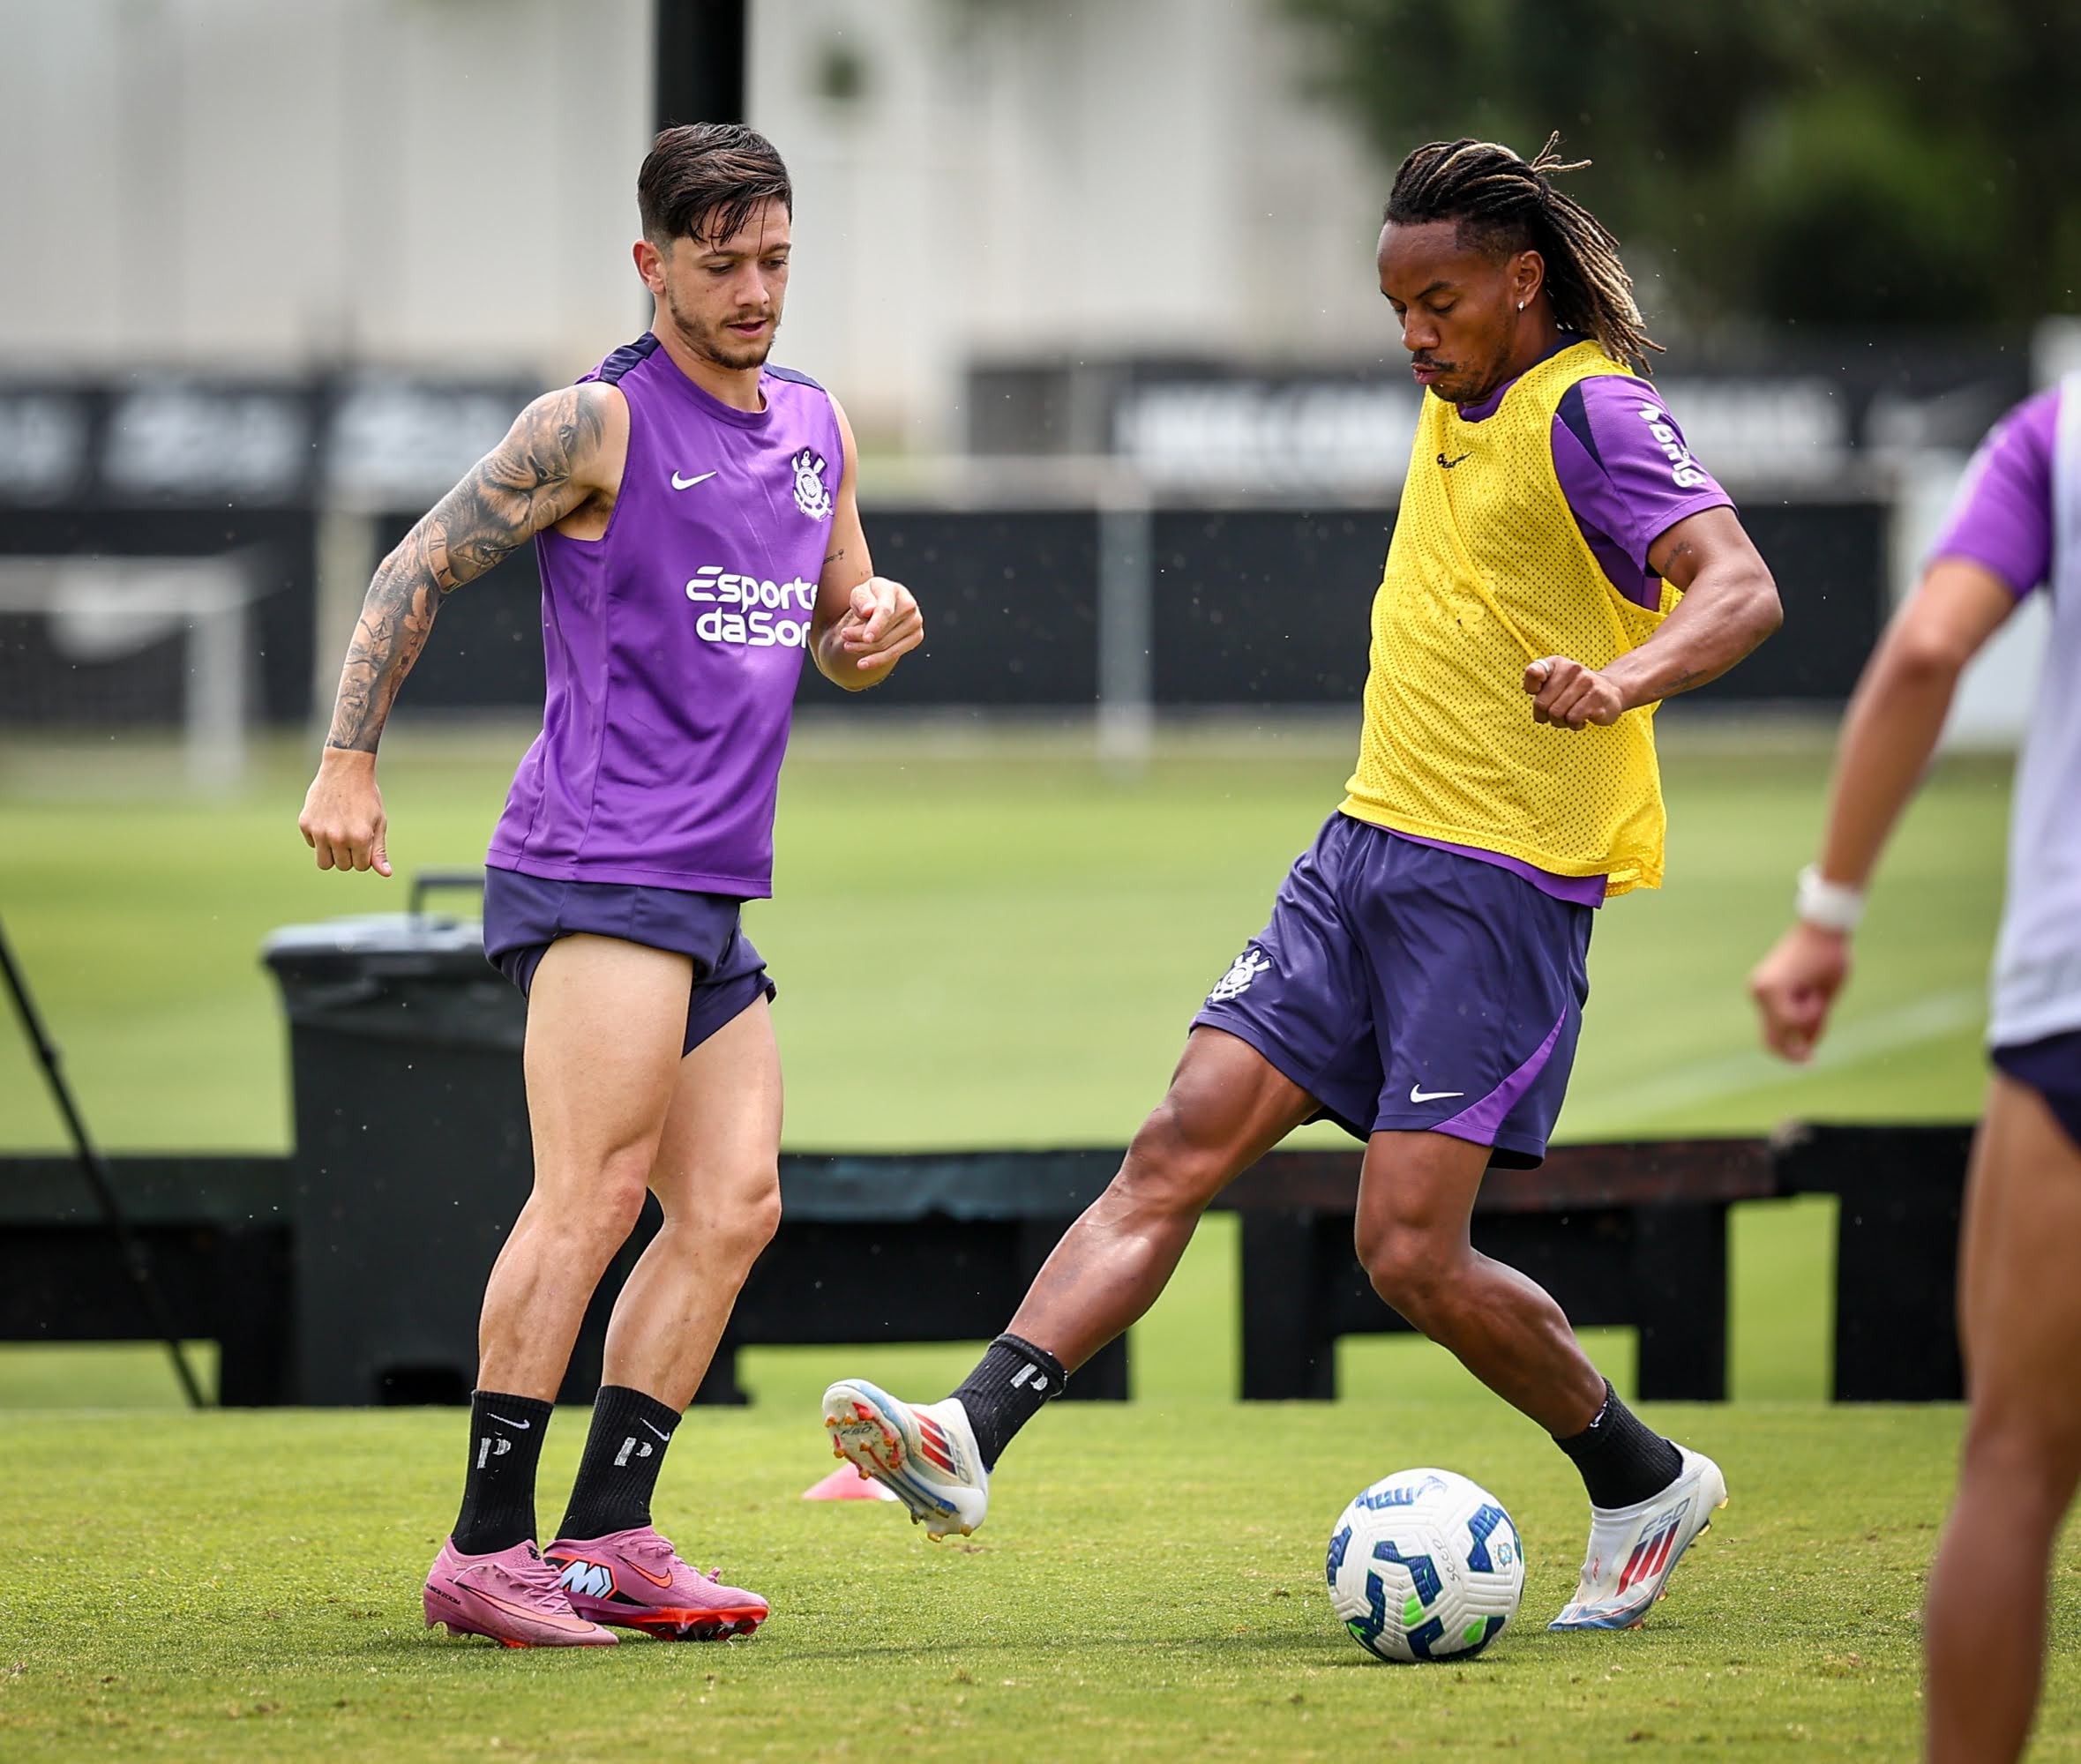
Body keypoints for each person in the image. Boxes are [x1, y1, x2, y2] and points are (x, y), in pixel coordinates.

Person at [822, 135, 1780, 1632]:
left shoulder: (1591, 408)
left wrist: (1623, 675)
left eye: (1442, 302)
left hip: (1503, 890)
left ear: (1524, 285)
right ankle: (967, 1436)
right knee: (1178, 1141)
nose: (1414, 334)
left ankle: (1641, 1479)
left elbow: (1741, 587)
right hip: (1360, 854)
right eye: (1396, 304)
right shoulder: (1459, 394)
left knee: (1406, 1252)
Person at [297, 123, 923, 1648]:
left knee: (732, 1203)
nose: (755, 289)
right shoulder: (596, 423)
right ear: (653, 265)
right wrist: (346, 759)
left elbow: (844, 612)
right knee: (590, 1196)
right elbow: (415, 569)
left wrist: (874, 625)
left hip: (707, 888)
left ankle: (608, 1537)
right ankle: (482, 1550)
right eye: (721, 265)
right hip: (592, 860)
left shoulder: (818, 429)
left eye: (776, 260)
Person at [1751, 384, 2080, 1760]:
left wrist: (1827, 912)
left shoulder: (2060, 434)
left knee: (2013, 1465)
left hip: (2076, 1007)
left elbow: (1932, 648)